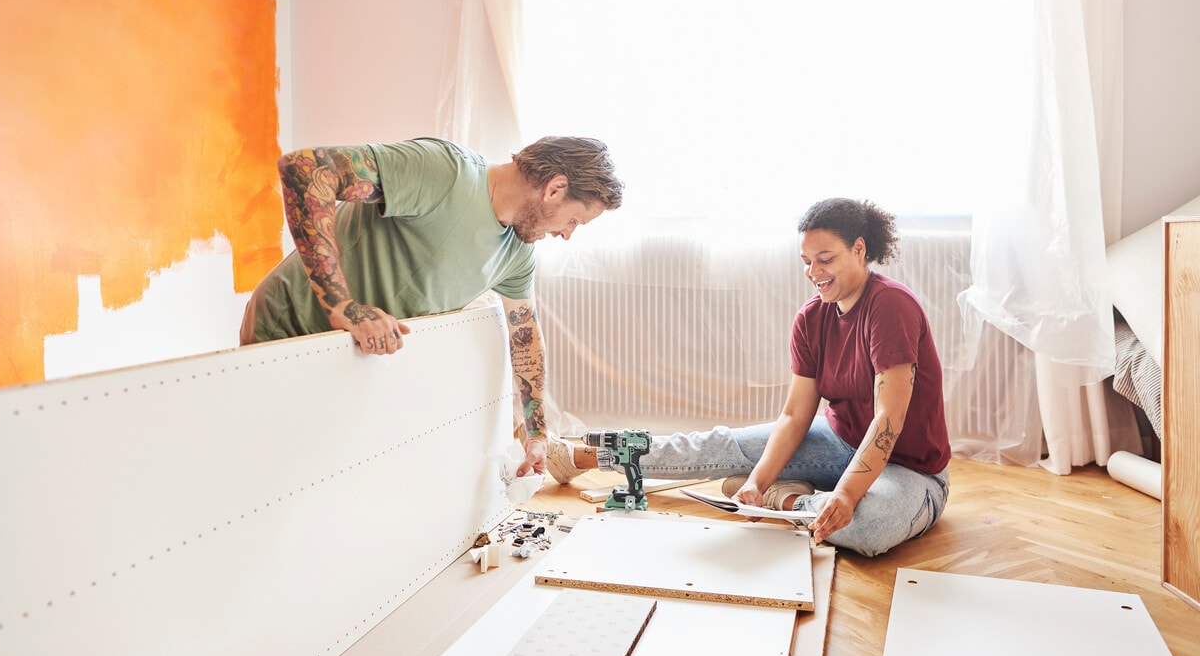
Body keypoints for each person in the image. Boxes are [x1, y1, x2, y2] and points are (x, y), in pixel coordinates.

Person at [546, 197, 950, 557]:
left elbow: (889, 420)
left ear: (858, 249)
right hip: (841, 441)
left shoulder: (890, 307)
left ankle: (787, 502)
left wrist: (845, 495)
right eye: (807, 261)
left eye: (825, 259)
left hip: (911, 468)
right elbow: (794, 416)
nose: (814, 272)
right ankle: (590, 455)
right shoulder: (811, 319)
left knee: (868, 523)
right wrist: (755, 483)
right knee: (723, 446)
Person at [241, 135, 625, 477]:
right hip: (289, 327)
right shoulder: (446, 172)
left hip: (352, 353)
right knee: (270, 470)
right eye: (574, 220)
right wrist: (342, 305)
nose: (567, 235)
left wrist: (537, 434)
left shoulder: (517, 251)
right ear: (555, 188)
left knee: (322, 472)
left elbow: (524, 336)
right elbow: (306, 170)